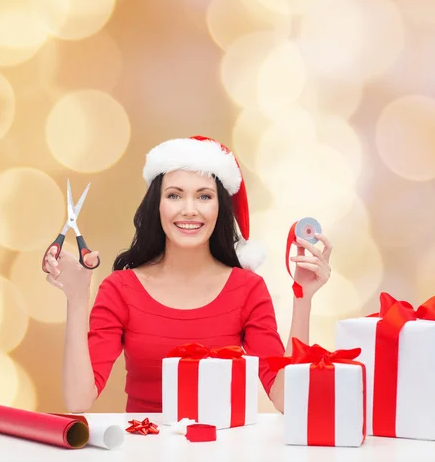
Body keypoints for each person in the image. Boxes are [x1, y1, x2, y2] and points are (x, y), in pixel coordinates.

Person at [43, 136, 332, 414]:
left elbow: (287, 400)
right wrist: (77, 297)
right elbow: (78, 400)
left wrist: (302, 298)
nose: (189, 210)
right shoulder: (120, 288)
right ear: (157, 205)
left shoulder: (247, 289)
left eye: (204, 196)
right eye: (174, 195)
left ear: (220, 207)